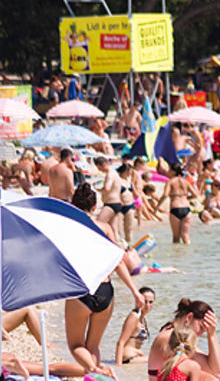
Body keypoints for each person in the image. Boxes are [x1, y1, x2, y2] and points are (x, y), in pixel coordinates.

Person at [68, 183, 145, 377]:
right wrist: (134, 291)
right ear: (95, 208)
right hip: (105, 291)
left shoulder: (69, 228)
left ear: (72, 204)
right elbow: (118, 262)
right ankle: (95, 377)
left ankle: (95, 370)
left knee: (76, 345)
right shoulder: (106, 228)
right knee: (93, 345)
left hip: (81, 289)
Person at [147, 299, 220, 381]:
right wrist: (212, 335)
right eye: (201, 328)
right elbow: (214, 368)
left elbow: (214, 368)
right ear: (189, 317)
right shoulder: (169, 338)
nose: (200, 335)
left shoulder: (175, 334)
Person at [156, 163, 201, 244]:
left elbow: (165, 194)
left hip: (175, 208)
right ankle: (188, 255)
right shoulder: (185, 182)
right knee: (185, 236)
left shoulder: (170, 182)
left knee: (176, 238)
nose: (167, 171)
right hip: (186, 209)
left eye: (169, 170)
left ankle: (176, 256)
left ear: (173, 172)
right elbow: (196, 194)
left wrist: (157, 207)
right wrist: (186, 198)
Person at [116, 287, 156, 365]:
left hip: (135, 358)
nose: (147, 305)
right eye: (145, 301)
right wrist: (119, 366)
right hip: (128, 359)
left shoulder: (142, 317)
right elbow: (121, 342)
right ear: (138, 300)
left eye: (150, 302)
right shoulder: (134, 316)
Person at [95, 157, 124, 242]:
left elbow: (107, 188)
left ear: (103, 164)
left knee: (97, 225)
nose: (100, 171)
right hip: (116, 203)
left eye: (99, 168)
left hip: (111, 204)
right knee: (114, 230)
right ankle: (118, 247)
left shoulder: (109, 174)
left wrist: (97, 189)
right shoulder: (115, 173)